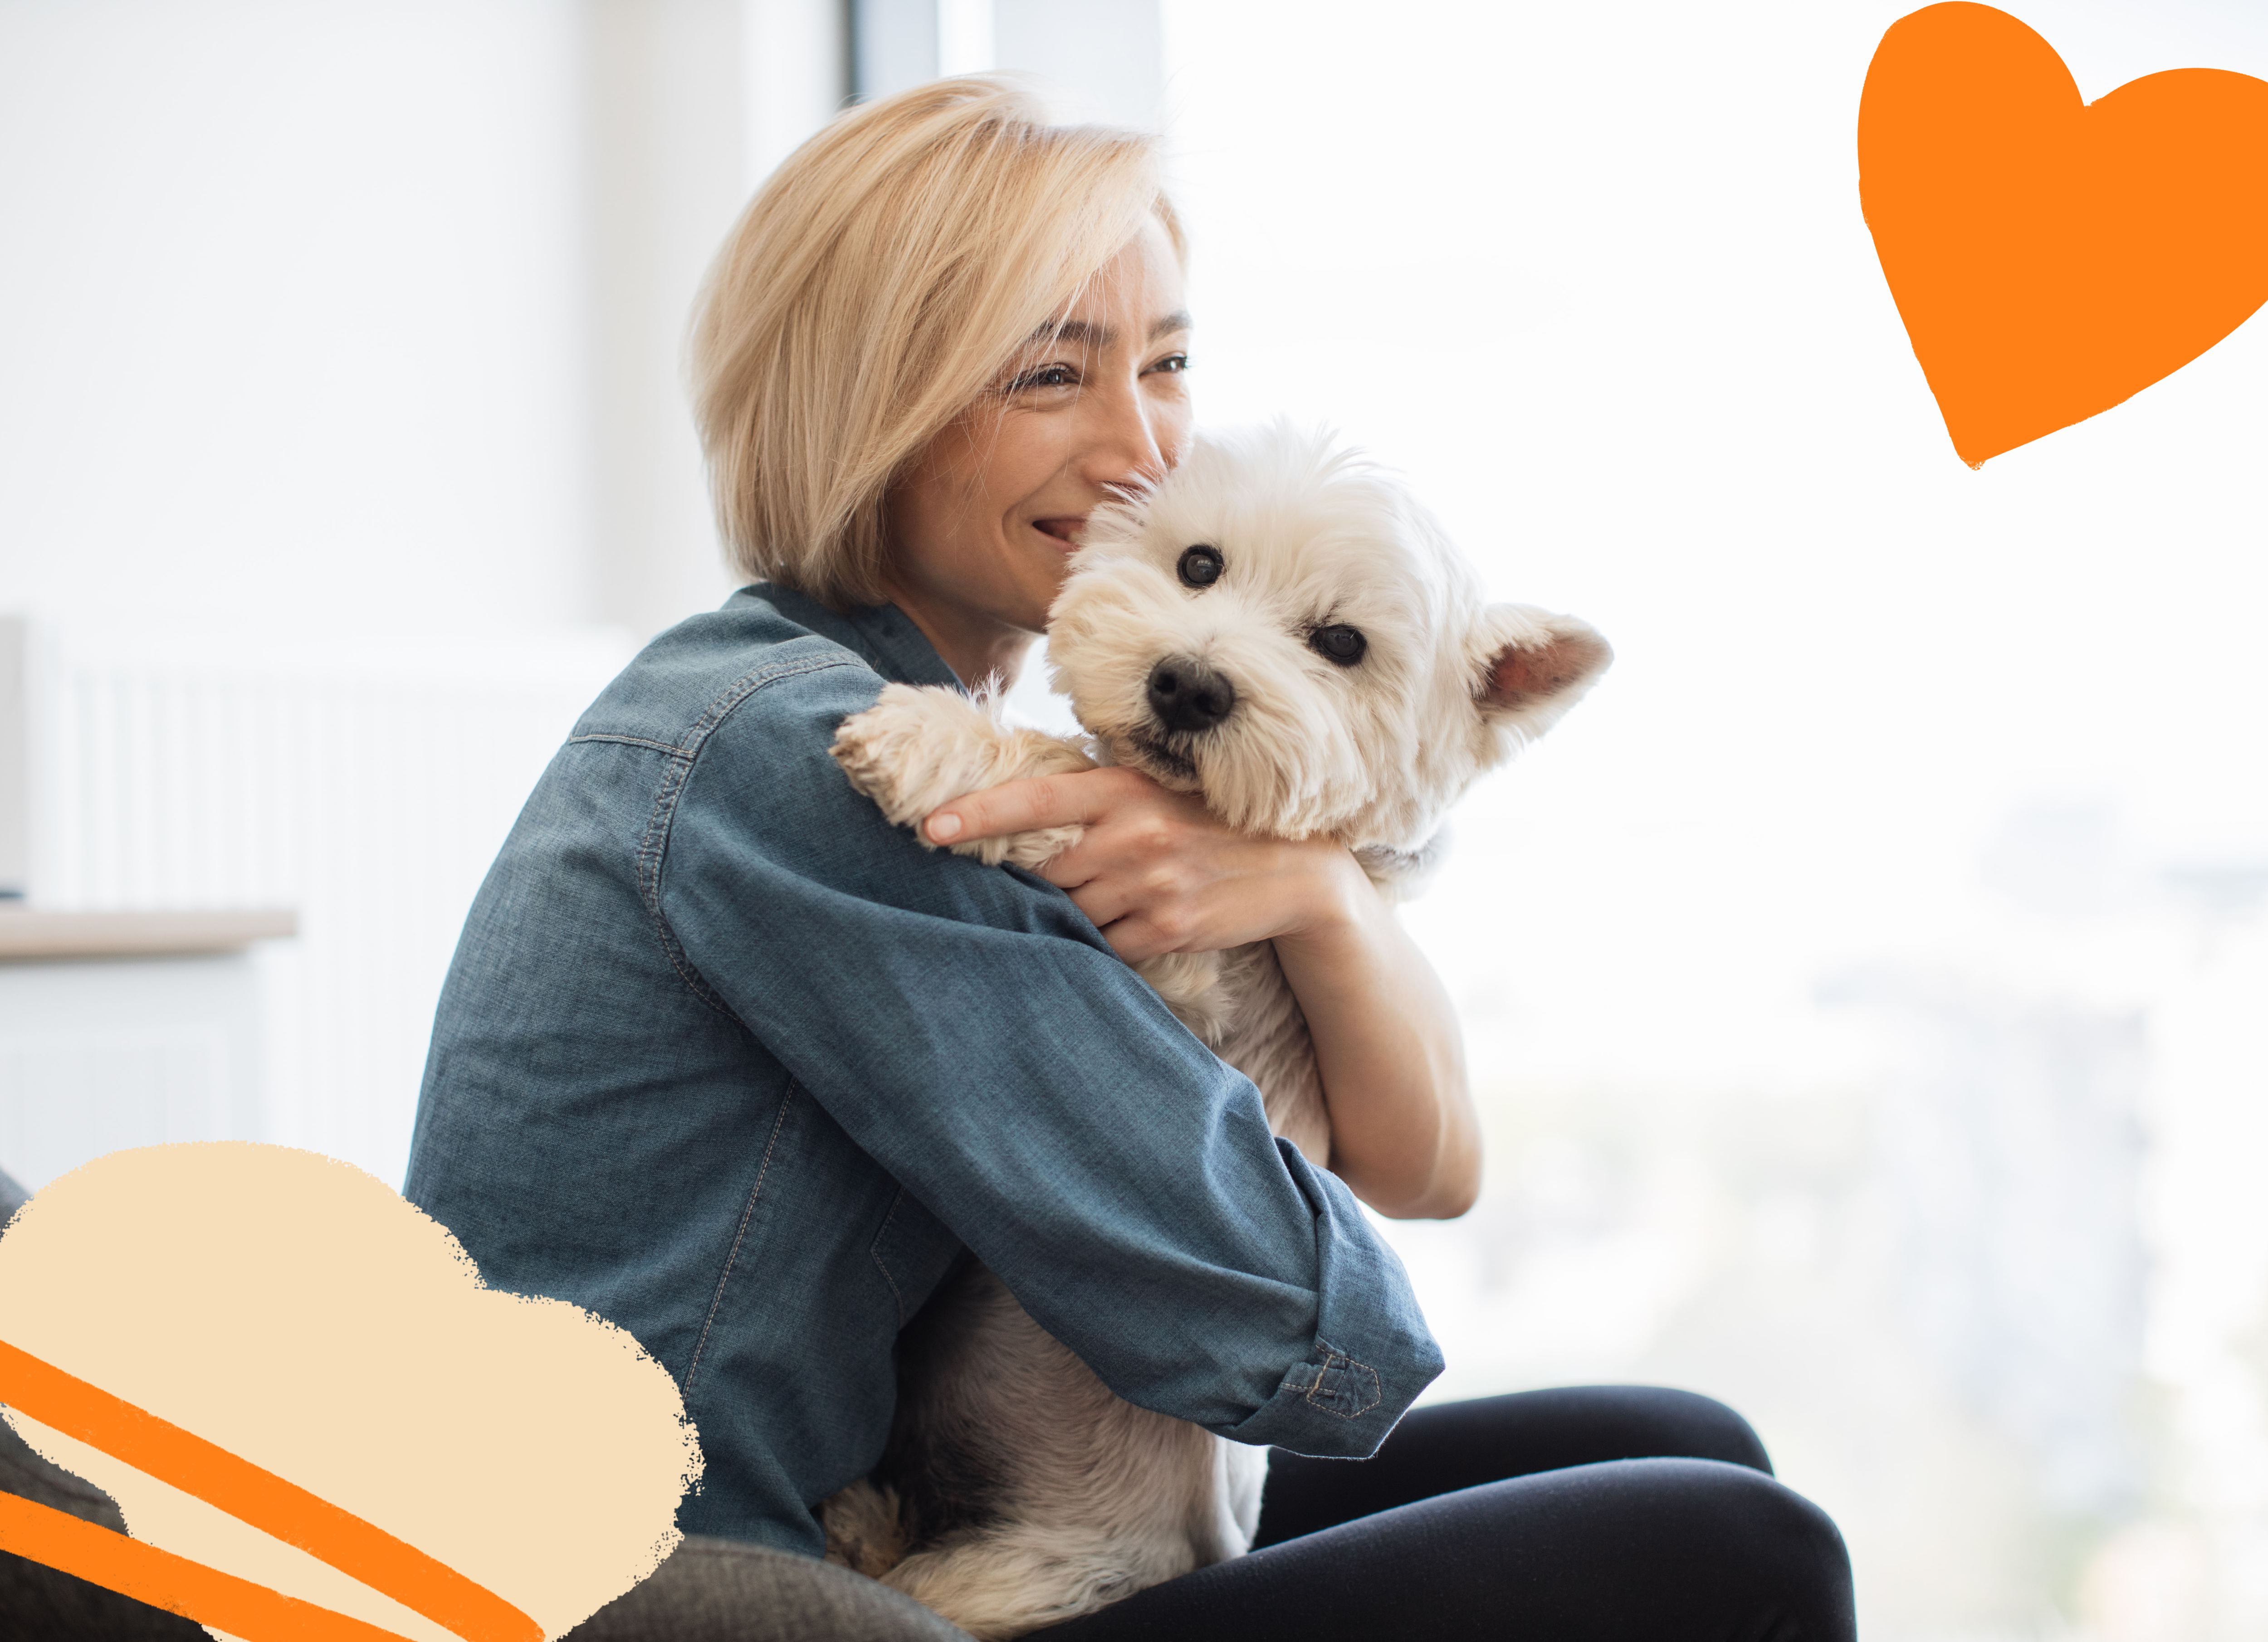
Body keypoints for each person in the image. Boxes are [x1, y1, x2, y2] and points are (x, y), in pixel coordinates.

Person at [404, 78, 1854, 1640]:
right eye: (1051, 373)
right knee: (1734, 1546)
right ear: (869, 403)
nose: (1142, 451)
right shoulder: (827, 757)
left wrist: (1313, 894)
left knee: (1687, 1443)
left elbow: (1429, 1174)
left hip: (907, 1506)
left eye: (1168, 363)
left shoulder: (815, 702)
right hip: (721, 1581)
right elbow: (1294, 1323)